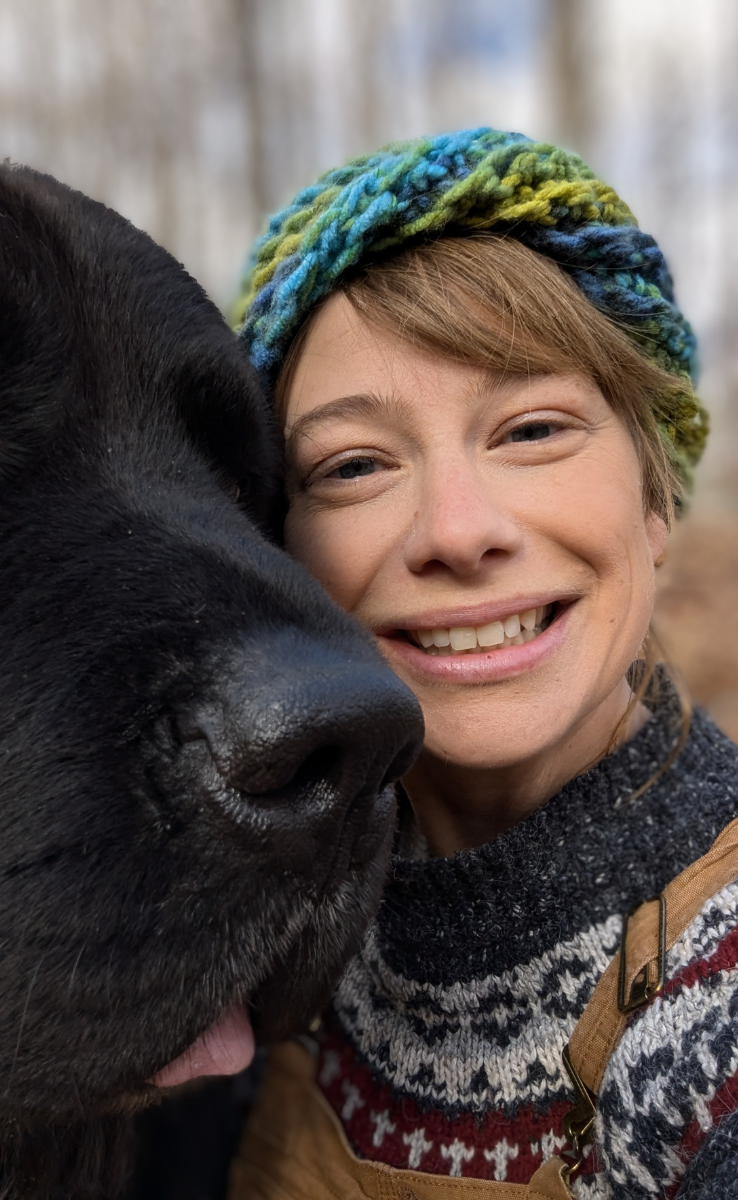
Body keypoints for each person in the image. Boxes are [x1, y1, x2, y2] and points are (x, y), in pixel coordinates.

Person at [227, 130, 738, 1199]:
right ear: (277, 552)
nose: (459, 532)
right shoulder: (255, 924)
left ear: (654, 501)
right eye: (355, 465)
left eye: (533, 429)